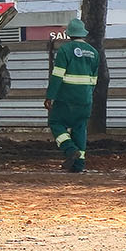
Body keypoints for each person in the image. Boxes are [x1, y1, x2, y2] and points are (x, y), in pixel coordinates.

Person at [44, 17, 100, 173]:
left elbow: (57, 75)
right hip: (85, 99)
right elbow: (94, 80)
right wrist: (87, 96)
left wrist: (50, 96)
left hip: (66, 97)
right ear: (83, 33)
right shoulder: (94, 53)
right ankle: (79, 165)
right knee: (80, 128)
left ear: (69, 34)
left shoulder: (65, 50)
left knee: (56, 123)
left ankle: (70, 150)